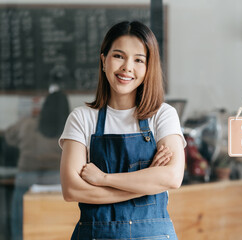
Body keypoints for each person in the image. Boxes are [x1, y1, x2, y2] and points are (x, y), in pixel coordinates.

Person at [59, 21, 186, 240]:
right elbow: (72, 190)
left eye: (138, 60)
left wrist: (103, 178)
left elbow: (172, 177)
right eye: (119, 56)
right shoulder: (81, 118)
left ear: (148, 68)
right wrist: (148, 183)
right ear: (103, 60)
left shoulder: (163, 115)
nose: (127, 67)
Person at [5, 90, 70, 240]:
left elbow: (9, 137)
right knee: (57, 227)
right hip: (57, 180)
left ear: (43, 107)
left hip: (26, 179)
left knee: (21, 224)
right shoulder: (69, 127)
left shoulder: (28, 123)